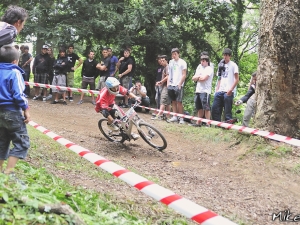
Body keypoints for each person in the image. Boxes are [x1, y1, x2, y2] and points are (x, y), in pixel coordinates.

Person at [0, 45, 30, 176]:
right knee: (22, 142)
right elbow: (18, 95)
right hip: (12, 112)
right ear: (15, 61)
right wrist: (26, 109)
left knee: (2, 142)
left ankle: (1, 171)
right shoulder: (15, 72)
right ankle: (8, 172)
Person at [211, 48, 239, 122]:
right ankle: (217, 123)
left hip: (229, 90)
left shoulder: (233, 65)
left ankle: (228, 123)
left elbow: (237, 79)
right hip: (220, 90)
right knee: (215, 107)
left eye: (226, 55)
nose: (225, 57)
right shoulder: (221, 65)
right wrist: (217, 90)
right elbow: (219, 78)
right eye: (224, 55)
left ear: (230, 56)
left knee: (227, 110)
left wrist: (231, 89)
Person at [191, 54, 214, 127]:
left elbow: (204, 78)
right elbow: (193, 78)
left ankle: (208, 123)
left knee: (206, 107)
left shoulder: (209, 69)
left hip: (205, 91)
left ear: (207, 61)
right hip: (198, 90)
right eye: (201, 60)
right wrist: (198, 77)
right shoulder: (199, 67)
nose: (202, 62)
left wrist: (198, 77)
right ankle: (198, 123)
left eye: (203, 61)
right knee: (199, 107)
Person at [167, 48, 187, 124]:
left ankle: (181, 118)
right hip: (171, 84)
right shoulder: (171, 62)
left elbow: (184, 74)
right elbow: (169, 74)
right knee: (173, 101)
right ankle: (175, 116)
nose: (173, 55)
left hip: (179, 84)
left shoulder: (182, 62)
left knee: (179, 102)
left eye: (175, 54)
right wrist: (168, 84)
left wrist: (179, 84)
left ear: (178, 54)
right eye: (172, 54)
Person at [152, 55, 171, 120]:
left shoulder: (167, 67)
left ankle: (159, 115)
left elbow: (168, 76)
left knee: (162, 100)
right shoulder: (164, 68)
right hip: (164, 86)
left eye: (163, 61)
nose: (161, 62)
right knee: (168, 102)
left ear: (166, 60)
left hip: (166, 86)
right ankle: (167, 116)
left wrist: (161, 82)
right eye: (161, 61)